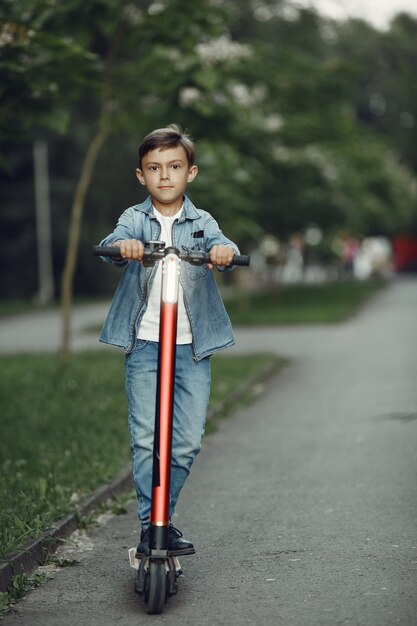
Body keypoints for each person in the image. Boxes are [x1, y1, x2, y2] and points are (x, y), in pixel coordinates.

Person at [98, 124, 240, 555]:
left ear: (190, 173)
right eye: (154, 168)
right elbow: (112, 241)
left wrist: (224, 252)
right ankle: (151, 529)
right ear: (141, 175)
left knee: (185, 442)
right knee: (146, 440)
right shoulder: (135, 218)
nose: (165, 175)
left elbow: (223, 244)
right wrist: (123, 246)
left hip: (190, 347)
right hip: (144, 343)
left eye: (174, 167)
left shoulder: (202, 221)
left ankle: (162, 519)